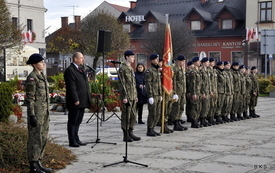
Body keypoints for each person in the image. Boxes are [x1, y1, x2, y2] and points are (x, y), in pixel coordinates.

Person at [25, 53, 52, 173]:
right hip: (36, 113)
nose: (43, 64)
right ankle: (33, 165)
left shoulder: (42, 76)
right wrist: (31, 115)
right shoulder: (32, 77)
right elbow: (30, 98)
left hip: (44, 113)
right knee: (35, 139)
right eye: (41, 62)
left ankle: (39, 162)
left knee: (43, 137)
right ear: (35, 64)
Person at [64, 52, 91, 147]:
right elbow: (71, 87)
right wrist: (75, 99)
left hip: (82, 100)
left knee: (78, 121)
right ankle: (72, 140)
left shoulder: (81, 69)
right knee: (73, 121)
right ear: (75, 59)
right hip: (75, 101)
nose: (83, 60)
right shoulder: (70, 70)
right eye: (81, 58)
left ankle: (77, 138)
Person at [119, 50, 140, 142]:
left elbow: (133, 84)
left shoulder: (131, 69)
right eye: (131, 57)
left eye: (133, 57)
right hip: (126, 96)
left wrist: (135, 95)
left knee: (133, 115)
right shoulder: (122, 69)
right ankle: (125, 134)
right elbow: (122, 84)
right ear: (127, 57)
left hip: (132, 95)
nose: (133, 58)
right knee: (126, 116)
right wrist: (124, 96)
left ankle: (131, 132)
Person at [145, 53, 162, 136]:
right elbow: (148, 84)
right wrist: (150, 95)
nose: (157, 60)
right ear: (152, 60)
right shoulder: (149, 71)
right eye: (155, 59)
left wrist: (160, 94)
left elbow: (159, 83)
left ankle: (153, 128)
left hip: (158, 94)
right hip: (153, 95)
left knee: (157, 112)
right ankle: (149, 129)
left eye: (158, 59)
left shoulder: (158, 70)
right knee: (152, 112)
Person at [170, 55, 188, 131]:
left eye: (184, 61)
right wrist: (174, 93)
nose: (184, 63)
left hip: (182, 91)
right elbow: (173, 81)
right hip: (177, 91)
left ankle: (178, 121)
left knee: (181, 107)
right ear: (178, 61)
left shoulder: (181, 69)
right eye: (182, 61)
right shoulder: (174, 69)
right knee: (176, 108)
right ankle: (175, 123)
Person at [188, 57, 202, 128]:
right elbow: (192, 84)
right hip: (195, 92)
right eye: (198, 61)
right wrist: (193, 93)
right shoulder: (193, 72)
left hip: (198, 91)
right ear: (195, 62)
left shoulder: (198, 71)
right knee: (194, 107)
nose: (199, 62)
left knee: (198, 107)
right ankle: (193, 122)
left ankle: (196, 120)